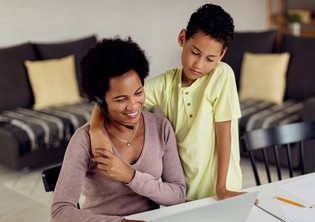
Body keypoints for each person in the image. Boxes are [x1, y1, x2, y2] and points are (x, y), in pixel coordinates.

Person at [89, 3, 243, 201]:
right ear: (182, 38)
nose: (198, 64)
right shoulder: (165, 84)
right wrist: (95, 130)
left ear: (221, 55)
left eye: (210, 59)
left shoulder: (222, 75)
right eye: (195, 52)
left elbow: (224, 133)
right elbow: (116, 98)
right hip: (186, 193)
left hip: (223, 191)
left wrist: (222, 187)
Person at [51, 37, 186, 222]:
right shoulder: (84, 139)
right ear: (101, 100)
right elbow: (60, 212)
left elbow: (177, 194)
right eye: (121, 99)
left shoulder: (161, 128)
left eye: (138, 92)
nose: (133, 105)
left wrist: (130, 176)